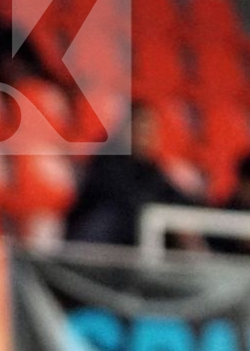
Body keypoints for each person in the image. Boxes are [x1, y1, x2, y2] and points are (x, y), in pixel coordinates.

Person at [64, 102, 191, 248]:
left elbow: (173, 196)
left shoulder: (150, 168)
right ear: (126, 129)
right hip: (96, 239)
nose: (147, 138)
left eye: (150, 132)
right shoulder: (106, 160)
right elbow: (123, 198)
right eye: (141, 130)